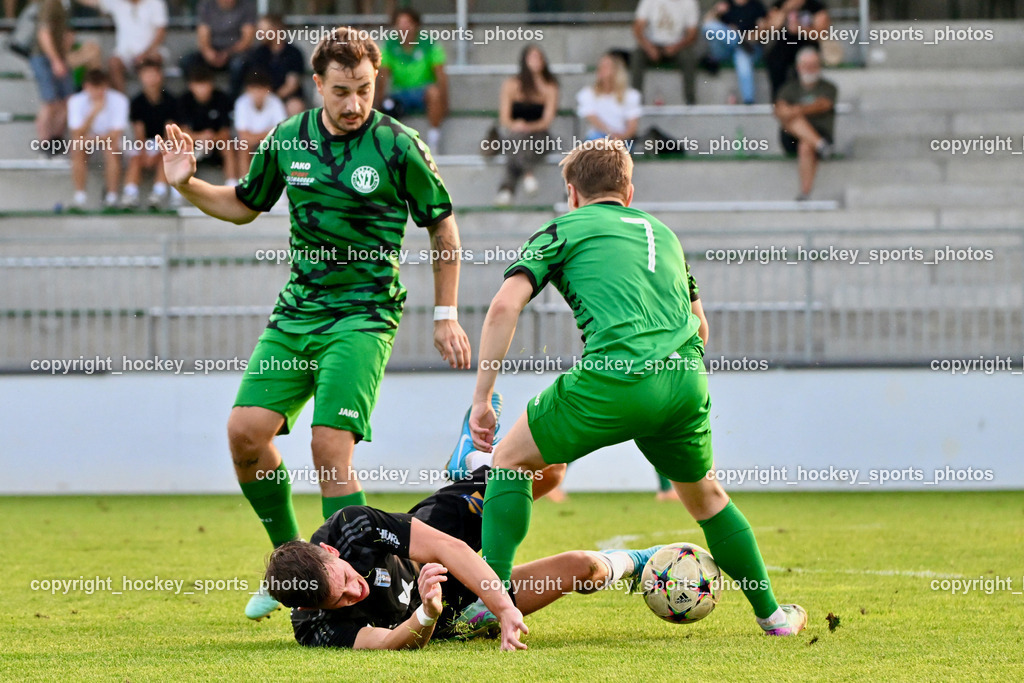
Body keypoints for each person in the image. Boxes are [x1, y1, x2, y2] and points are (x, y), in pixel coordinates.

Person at [157, 26, 471, 622]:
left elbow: (442, 225)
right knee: (245, 433)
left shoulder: (397, 145)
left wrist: (446, 314)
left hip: (364, 314)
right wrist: (188, 184)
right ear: (317, 85)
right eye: (342, 91)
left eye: (364, 89)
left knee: (328, 445)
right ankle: (296, 562)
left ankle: (370, 593)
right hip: (298, 312)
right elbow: (243, 205)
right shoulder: (287, 139)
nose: (354, 104)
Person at [457, 138, 808, 641]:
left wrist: (481, 397)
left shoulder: (563, 228)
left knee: (510, 461)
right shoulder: (663, 234)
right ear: (629, 191)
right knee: (707, 498)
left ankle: (488, 604)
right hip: (685, 379)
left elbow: (503, 307)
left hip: (616, 377)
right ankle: (773, 617)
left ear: (572, 194)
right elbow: (701, 327)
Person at [263, 466, 662, 651]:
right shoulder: (314, 627)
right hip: (449, 608)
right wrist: (428, 613)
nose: (356, 591)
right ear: (308, 606)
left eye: (346, 579)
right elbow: (386, 642)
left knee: (544, 471)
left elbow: (447, 548)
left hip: (429, 542)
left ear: (331, 552)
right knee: (585, 568)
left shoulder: (351, 526)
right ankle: (640, 560)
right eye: (341, 599)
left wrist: (504, 608)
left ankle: (469, 462)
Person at [29, 0, 102, 150]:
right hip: (45, 57)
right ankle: (44, 142)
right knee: (50, 101)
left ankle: (56, 141)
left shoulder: (65, 4)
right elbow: (43, 34)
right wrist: (55, 60)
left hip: (58, 56)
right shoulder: (51, 4)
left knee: (67, 100)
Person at [494, 45, 558, 206]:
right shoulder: (511, 84)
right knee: (516, 139)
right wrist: (517, 125)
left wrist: (528, 127)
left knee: (516, 142)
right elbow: (504, 118)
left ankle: (507, 189)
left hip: (539, 135)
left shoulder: (549, 86)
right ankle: (528, 174)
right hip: (516, 134)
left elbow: (546, 121)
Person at [377, 8, 447, 151]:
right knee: (387, 106)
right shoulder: (390, 45)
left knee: (434, 93)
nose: (404, 27)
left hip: (423, 93)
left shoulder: (428, 43)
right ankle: (391, 145)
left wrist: (445, 101)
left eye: (407, 23)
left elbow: (441, 74)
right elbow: (382, 76)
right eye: (400, 23)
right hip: (400, 93)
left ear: (416, 24)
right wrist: (377, 103)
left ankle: (433, 140)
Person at [773, 47, 836, 200]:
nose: (810, 68)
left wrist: (796, 109)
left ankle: (805, 192)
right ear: (799, 67)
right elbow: (779, 111)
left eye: (814, 65)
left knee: (806, 145)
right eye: (807, 65)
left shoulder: (828, 87)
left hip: (821, 131)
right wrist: (803, 110)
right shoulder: (788, 88)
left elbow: (823, 105)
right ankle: (821, 145)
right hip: (790, 137)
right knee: (792, 121)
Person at [73, 0, 168, 92]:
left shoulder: (155, 3)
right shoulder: (116, 2)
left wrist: (145, 53)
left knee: (154, 60)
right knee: (113, 63)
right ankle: (122, 100)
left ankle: (154, 100)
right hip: (125, 54)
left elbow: (161, 32)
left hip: (150, 51)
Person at [68, 69, 129, 209]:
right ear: (86, 87)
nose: (97, 92)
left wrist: (90, 139)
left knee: (111, 149)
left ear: (106, 86)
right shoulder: (75, 101)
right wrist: (93, 113)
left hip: (108, 141)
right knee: (77, 150)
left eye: (100, 87)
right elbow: (76, 133)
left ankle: (112, 197)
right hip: (92, 140)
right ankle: (80, 197)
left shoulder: (119, 100)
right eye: (93, 88)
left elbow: (115, 135)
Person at [122, 57, 177, 209]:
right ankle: (130, 194)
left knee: (166, 156)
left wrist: (159, 151)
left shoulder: (171, 101)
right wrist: (144, 152)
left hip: (164, 142)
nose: (151, 79)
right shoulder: (137, 102)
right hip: (145, 142)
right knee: (135, 158)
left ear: (160, 76)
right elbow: (139, 131)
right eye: (147, 75)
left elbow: (169, 131)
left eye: (154, 74)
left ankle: (158, 194)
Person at [175, 64, 239, 185]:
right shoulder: (184, 101)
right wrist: (201, 137)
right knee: (181, 146)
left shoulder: (221, 99)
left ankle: (231, 184)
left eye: (205, 84)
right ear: (191, 85)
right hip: (194, 144)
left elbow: (225, 132)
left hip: (216, 144)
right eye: (198, 85)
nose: (202, 89)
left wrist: (211, 139)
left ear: (211, 84)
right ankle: (181, 186)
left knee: (228, 146)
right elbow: (183, 131)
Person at [181, 0, 257, 97]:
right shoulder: (206, 4)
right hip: (212, 51)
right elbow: (203, 34)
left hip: (236, 53)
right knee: (187, 61)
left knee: (239, 65)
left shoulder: (247, 5)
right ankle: (198, 96)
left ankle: (232, 99)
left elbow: (246, 40)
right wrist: (208, 51)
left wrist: (228, 53)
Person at [631, 0, 700, 105]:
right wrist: (648, 47)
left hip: (677, 46)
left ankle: (690, 102)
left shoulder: (690, 2)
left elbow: (693, 34)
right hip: (653, 44)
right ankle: (635, 102)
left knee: (689, 57)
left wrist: (676, 47)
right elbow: (637, 28)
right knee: (637, 55)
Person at [701, 0, 767, 105]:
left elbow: (763, 31)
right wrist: (716, 11)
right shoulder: (726, 3)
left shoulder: (756, 6)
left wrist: (749, 36)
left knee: (742, 60)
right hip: (726, 47)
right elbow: (706, 25)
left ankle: (748, 101)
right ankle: (739, 40)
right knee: (710, 27)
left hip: (748, 48)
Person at [762, 0, 829, 99]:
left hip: (807, 45)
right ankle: (778, 99)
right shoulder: (779, 5)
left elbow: (820, 34)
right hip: (783, 46)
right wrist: (785, 9)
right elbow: (771, 27)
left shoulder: (816, 7)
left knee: (807, 61)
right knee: (775, 61)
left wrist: (800, 29)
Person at [246, 14, 307, 117]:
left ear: (275, 30)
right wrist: (265, 98)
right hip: (263, 96)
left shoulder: (294, 53)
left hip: (285, 97)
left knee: (295, 106)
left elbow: (291, 85)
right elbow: (256, 81)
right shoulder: (258, 53)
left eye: (263, 30)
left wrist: (274, 99)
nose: (260, 34)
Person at [576, 52, 642, 142]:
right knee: (596, 139)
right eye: (600, 66)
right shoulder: (587, 93)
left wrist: (622, 137)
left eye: (605, 67)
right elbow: (593, 119)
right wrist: (610, 134)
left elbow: (632, 126)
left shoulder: (631, 95)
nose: (601, 70)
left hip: (622, 139)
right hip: (598, 138)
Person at [233, 68, 287, 176]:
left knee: (281, 146)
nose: (258, 94)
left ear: (268, 89)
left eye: (261, 89)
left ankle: (277, 183)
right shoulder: (241, 103)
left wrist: (255, 137)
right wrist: (267, 134)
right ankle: (245, 183)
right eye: (254, 89)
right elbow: (243, 136)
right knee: (243, 146)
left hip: (270, 143)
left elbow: (282, 133)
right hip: (255, 142)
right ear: (248, 89)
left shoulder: (276, 102)